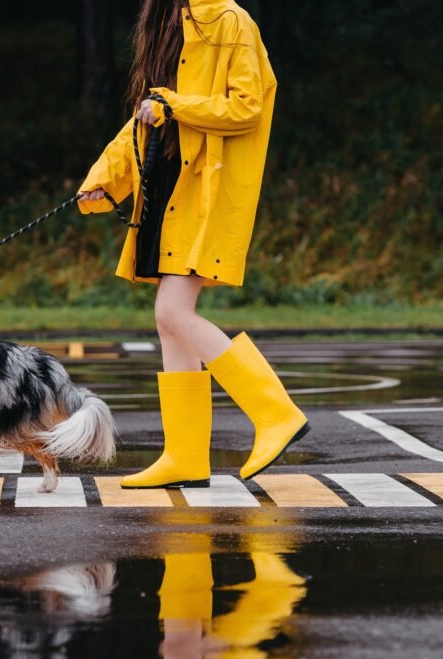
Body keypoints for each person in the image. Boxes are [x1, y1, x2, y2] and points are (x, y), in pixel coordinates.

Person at [76, 0, 308, 488]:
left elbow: (247, 106)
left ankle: (275, 412)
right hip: (170, 189)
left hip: (208, 191)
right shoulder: (169, 23)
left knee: (172, 314)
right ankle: (185, 455)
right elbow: (146, 118)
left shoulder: (230, 21)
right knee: (169, 325)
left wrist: (175, 105)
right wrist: (104, 177)